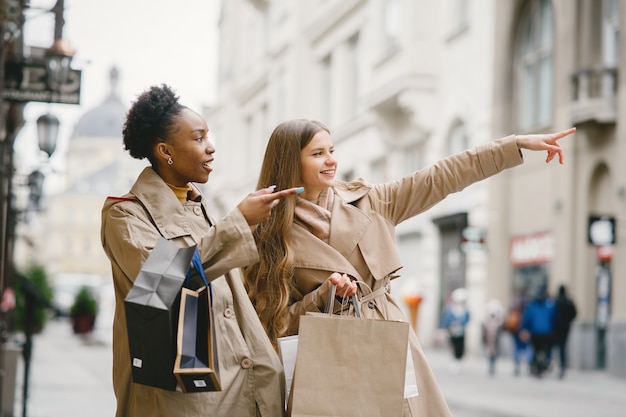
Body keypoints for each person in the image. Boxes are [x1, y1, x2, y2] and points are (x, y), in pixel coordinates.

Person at [243, 118, 575, 416]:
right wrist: (324, 297)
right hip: (327, 363)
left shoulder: (371, 201)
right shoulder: (267, 236)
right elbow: (273, 325)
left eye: (331, 150)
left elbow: (443, 176)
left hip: (388, 342)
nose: (331, 161)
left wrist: (514, 145)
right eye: (318, 154)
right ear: (291, 163)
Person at [100, 84, 302, 417]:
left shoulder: (200, 209)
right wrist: (238, 221)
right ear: (166, 151)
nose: (211, 148)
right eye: (198, 139)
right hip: (182, 399)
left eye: (208, 137)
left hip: (242, 387)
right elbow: (158, 281)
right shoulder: (125, 213)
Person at [519, 284, 556, 378]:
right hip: (546, 332)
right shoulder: (549, 305)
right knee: (542, 351)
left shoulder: (532, 306)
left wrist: (524, 328)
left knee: (536, 351)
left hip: (535, 332)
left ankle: (537, 367)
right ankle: (541, 367)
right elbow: (554, 318)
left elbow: (527, 318)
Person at [441, 287, 470, 370]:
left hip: (461, 331)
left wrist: (461, 324)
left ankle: (459, 359)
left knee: (460, 346)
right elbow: (446, 319)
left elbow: (467, 319)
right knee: (452, 344)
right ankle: (454, 359)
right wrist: (446, 327)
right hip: (452, 330)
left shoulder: (465, 309)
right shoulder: (450, 308)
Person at [553, 284, 577, 379]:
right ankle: (562, 366)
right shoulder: (568, 301)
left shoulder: (555, 301)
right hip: (566, 328)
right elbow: (574, 313)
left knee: (554, 347)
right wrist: (568, 321)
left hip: (556, 328)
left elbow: (552, 315)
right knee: (563, 347)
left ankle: (555, 365)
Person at [481, 299, 505, 375]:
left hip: (495, 341)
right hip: (489, 341)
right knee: (490, 352)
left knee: (494, 353)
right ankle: (491, 365)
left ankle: (493, 365)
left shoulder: (499, 323)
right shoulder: (486, 323)